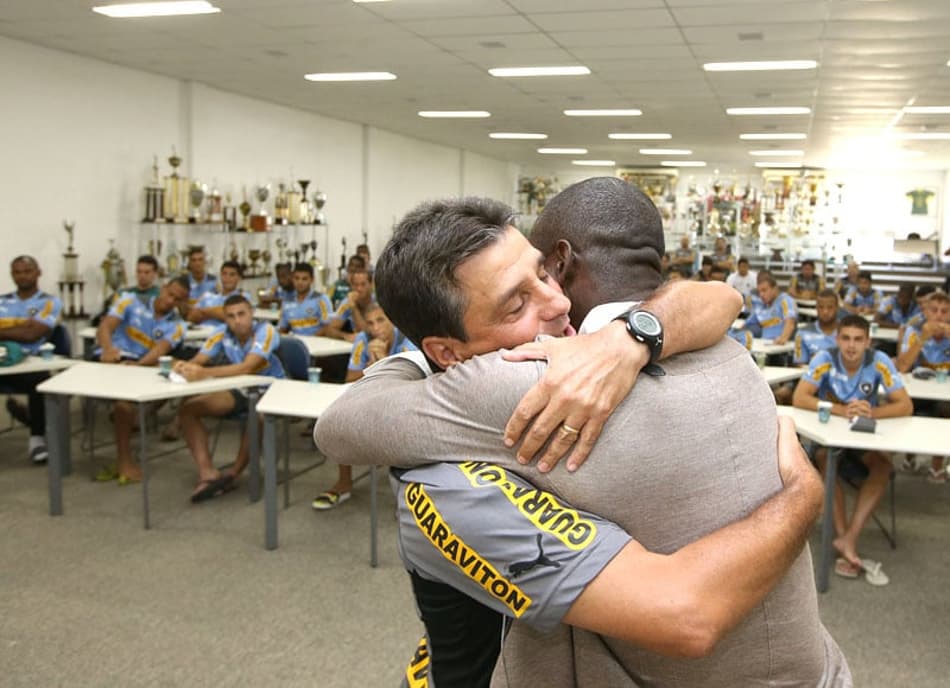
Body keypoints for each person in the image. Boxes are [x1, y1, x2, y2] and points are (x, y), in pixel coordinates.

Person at [317, 183, 847, 687]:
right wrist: (803, 495)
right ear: (447, 353)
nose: (559, 304)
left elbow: (340, 424)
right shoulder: (728, 355)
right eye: (515, 303)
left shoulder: (537, 373)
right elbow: (721, 297)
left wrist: (625, 339)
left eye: (544, 276)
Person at [793, 314, 912, 583]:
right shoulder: (824, 358)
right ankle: (846, 544)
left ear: (868, 342)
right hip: (828, 437)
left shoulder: (878, 361)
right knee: (826, 460)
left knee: (882, 467)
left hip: (862, 436)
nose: (851, 345)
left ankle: (849, 538)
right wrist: (841, 410)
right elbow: (800, 397)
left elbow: (905, 405)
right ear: (837, 339)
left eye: (858, 339)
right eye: (845, 338)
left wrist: (872, 412)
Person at [174, 295, 284, 502]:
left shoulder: (265, 331)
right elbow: (199, 360)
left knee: (258, 415)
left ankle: (234, 473)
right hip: (239, 388)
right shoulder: (221, 333)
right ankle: (207, 472)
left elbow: (247, 367)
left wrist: (203, 373)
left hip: (271, 388)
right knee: (188, 409)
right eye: (231, 316)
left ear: (252, 314)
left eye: (242, 314)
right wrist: (186, 366)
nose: (237, 320)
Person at [312, 303, 416, 510]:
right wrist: (372, 364)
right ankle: (344, 483)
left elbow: (412, 386)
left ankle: (409, 495)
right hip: (372, 396)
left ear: (391, 321)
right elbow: (350, 378)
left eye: (380, 321)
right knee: (342, 417)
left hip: (406, 400)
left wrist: (384, 361)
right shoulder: (363, 339)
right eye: (370, 323)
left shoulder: (408, 340)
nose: (375, 328)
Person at [93, 276, 189, 482]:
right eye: (170, 294)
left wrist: (137, 368)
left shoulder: (178, 325)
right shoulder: (129, 299)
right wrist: (108, 349)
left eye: (178, 299)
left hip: (141, 364)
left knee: (179, 368)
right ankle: (125, 458)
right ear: (162, 289)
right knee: (124, 401)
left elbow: (159, 350)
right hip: (114, 357)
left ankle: (139, 417)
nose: (171, 301)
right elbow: (105, 327)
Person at [0, 256, 63, 463]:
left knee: (40, 382)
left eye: (27, 271)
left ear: (38, 273)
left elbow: (32, 335)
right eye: (17, 272)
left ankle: (37, 439)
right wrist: (22, 328)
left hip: (31, 364)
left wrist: (6, 330)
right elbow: (27, 331)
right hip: (3, 362)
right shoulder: (2, 301)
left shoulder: (49, 302)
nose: (22, 276)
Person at [895, 290, 950, 483]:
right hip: (917, 390)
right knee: (905, 408)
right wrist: (923, 338)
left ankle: (937, 468)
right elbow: (902, 367)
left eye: (944, 311)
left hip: (945, 393)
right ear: (926, 313)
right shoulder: (914, 331)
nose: (939, 316)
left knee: (946, 412)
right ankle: (910, 458)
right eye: (934, 310)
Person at [186, 261, 252, 328]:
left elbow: (229, 315)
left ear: (239, 278)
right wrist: (216, 312)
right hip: (199, 334)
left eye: (232, 274)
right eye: (224, 274)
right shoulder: (207, 296)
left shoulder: (243, 296)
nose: (227, 278)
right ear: (220, 276)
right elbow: (190, 317)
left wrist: (204, 312)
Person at [741, 273, 798, 345]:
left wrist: (783, 338)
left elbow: (790, 322)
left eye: (764, 290)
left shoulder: (785, 300)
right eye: (759, 292)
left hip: (780, 349)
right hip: (764, 346)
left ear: (775, 289)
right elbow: (745, 325)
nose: (761, 295)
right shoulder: (762, 306)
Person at [278, 263, 333, 336]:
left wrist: (311, 339)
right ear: (292, 279)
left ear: (312, 280)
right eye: (297, 278)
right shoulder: (286, 302)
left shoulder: (322, 299)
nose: (300, 282)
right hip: (296, 344)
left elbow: (328, 326)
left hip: (318, 343)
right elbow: (282, 329)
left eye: (304, 279)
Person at [323, 268, 375, 342]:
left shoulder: (378, 302)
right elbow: (329, 330)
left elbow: (367, 335)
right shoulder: (347, 302)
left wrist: (354, 308)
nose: (359, 288)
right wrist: (346, 336)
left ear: (371, 285)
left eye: (363, 284)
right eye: (356, 285)